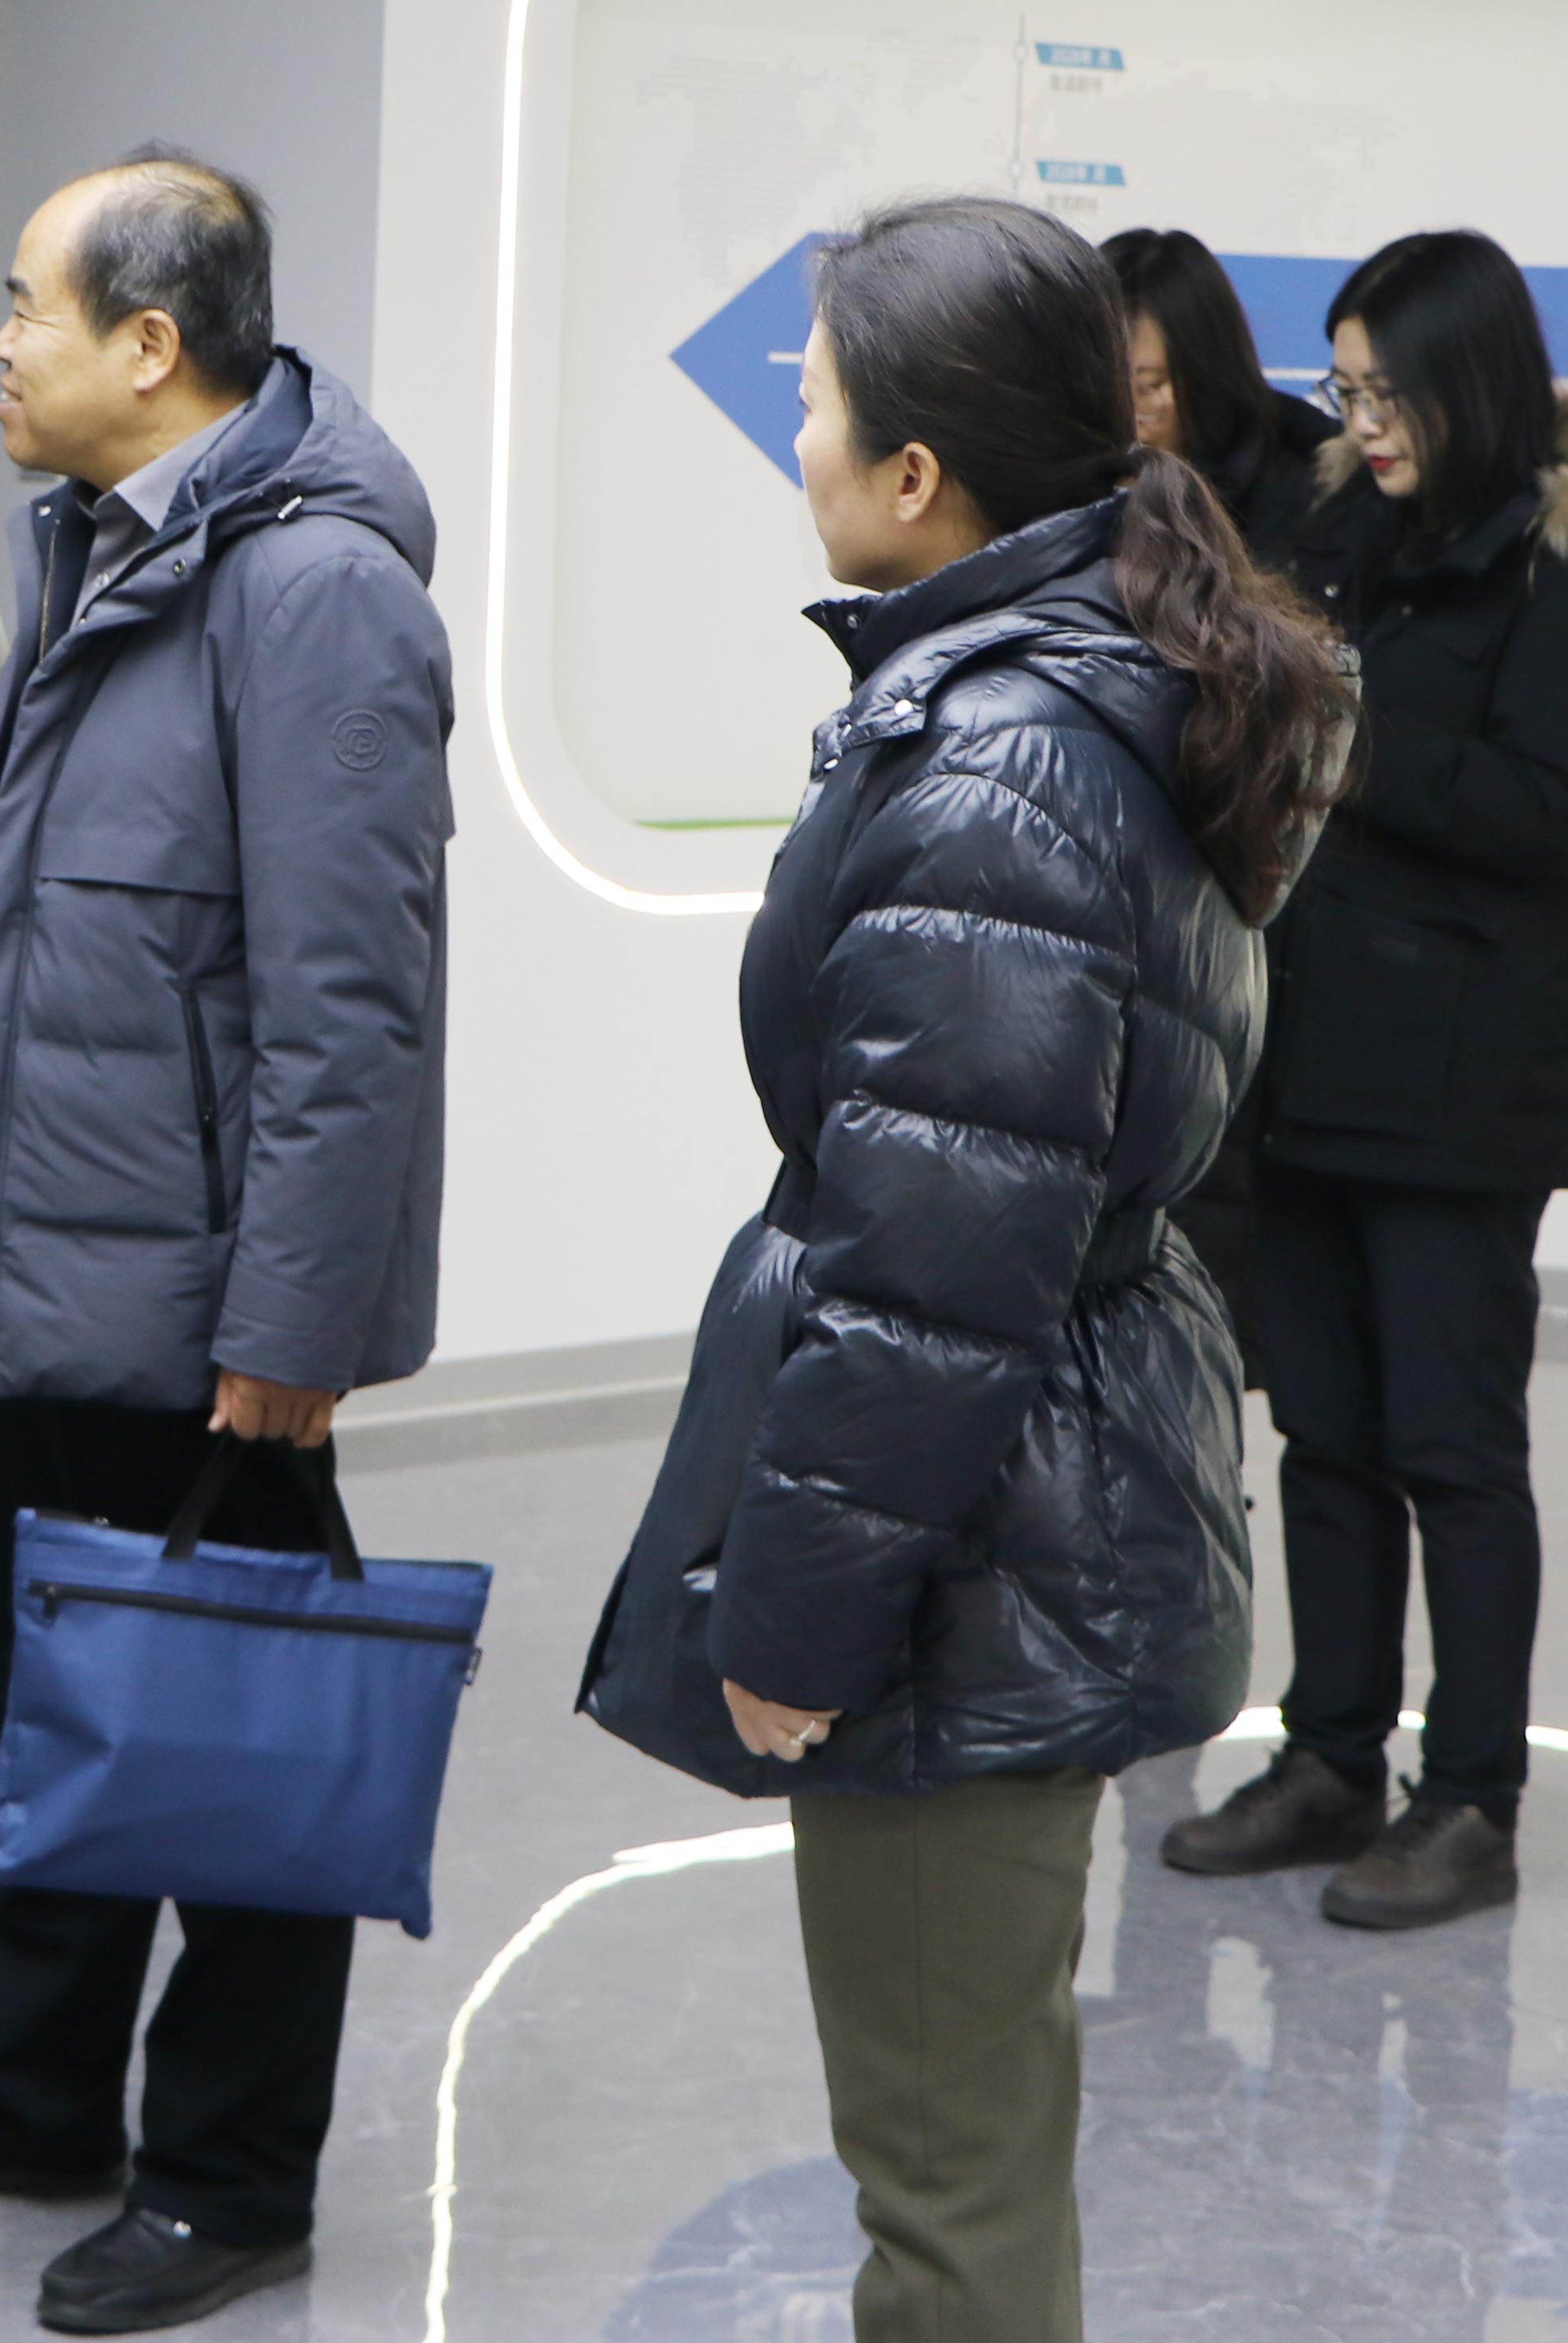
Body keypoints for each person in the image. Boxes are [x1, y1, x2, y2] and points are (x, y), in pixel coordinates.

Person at [582, 194, 1350, 2343]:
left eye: (812, 405)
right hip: (1040, 1500)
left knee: (947, 2193)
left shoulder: (996, 764)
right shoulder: (1064, 686)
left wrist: (800, 1625)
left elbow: (938, 1279)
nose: (797, 437)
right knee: (965, 2140)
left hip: (975, 1557)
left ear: (919, 476)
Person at [0, 151, 449, 2340]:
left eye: (26, 306)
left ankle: (230, 2179)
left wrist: (295, 1324)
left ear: (155, 343)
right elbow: (47, 868)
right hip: (42, 1264)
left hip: (196, 1302)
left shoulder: (314, 593)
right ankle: (31, 2094)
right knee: (53, 1717)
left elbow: (355, 1000)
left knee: (225, 1745)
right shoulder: (108, 542)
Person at [1160, 230, 1568, 1932]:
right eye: (1349, 385)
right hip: (1309, 1056)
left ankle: (1472, 1797)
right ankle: (1329, 1756)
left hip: (1467, 1088)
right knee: (1325, 1432)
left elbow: (1555, 816)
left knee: (1454, 1449)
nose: (1362, 419)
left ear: (1469, 382)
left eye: (1389, 390)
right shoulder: (1337, 530)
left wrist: (1348, 734)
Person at [1100, 225, 1340, 1371]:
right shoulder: (1076, 500)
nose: (1131, 412)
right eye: (1110, 384)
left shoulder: (1316, 508)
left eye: (1150, 384)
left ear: (1204, 371)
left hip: (1258, 945)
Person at [1103, 226, 1336, 559]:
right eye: (1146, 386)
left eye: (1181, 380)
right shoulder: (1051, 490)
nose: (1166, 401)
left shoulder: (1287, 493)